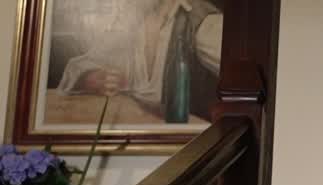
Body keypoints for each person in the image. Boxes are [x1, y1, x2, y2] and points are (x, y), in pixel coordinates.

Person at [56, 0, 222, 121]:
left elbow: (243, 83)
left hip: (189, 150)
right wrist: (90, 77)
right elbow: (77, 66)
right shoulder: (131, 22)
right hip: (132, 138)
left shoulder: (204, 23)